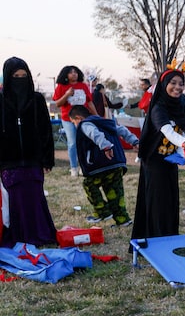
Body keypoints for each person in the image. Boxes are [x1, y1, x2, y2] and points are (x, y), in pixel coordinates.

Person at [131, 66, 185, 242]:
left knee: (170, 201)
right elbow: (168, 131)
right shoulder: (158, 108)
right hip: (154, 161)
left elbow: (181, 130)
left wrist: (183, 152)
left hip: (170, 160)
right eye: (173, 83)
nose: (177, 87)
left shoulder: (179, 106)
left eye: (181, 84)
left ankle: (170, 238)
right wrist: (183, 142)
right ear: (164, 84)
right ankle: (155, 241)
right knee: (157, 202)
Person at [0, 57, 57, 247]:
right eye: (15, 76)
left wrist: (47, 158)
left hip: (33, 159)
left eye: (23, 76)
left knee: (34, 196)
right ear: (8, 77)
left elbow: (45, 130)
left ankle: (39, 233)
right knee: (13, 200)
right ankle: (17, 236)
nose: (20, 79)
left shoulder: (37, 99)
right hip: (8, 160)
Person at [68, 105, 138, 226]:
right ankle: (123, 220)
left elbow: (94, 134)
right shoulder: (104, 122)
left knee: (89, 184)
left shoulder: (85, 124)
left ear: (78, 118)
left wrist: (105, 146)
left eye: (73, 122)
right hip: (117, 162)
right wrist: (134, 141)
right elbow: (122, 130)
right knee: (115, 192)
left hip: (100, 163)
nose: (74, 125)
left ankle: (102, 211)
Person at [53, 65, 97, 177]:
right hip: (68, 119)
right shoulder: (61, 87)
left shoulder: (83, 86)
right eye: (71, 72)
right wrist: (67, 94)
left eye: (76, 72)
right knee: (72, 143)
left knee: (85, 141)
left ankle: (84, 165)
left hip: (83, 118)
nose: (74, 74)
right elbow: (58, 103)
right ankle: (74, 167)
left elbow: (89, 102)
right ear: (66, 75)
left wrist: (96, 115)